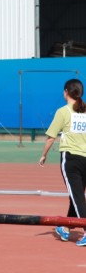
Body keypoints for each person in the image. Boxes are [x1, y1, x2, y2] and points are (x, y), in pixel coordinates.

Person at [39, 78, 86, 246]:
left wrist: (43, 155)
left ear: (66, 92)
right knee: (75, 195)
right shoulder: (84, 110)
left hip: (71, 159)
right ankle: (65, 227)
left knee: (78, 197)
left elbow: (51, 137)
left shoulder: (63, 111)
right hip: (85, 157)